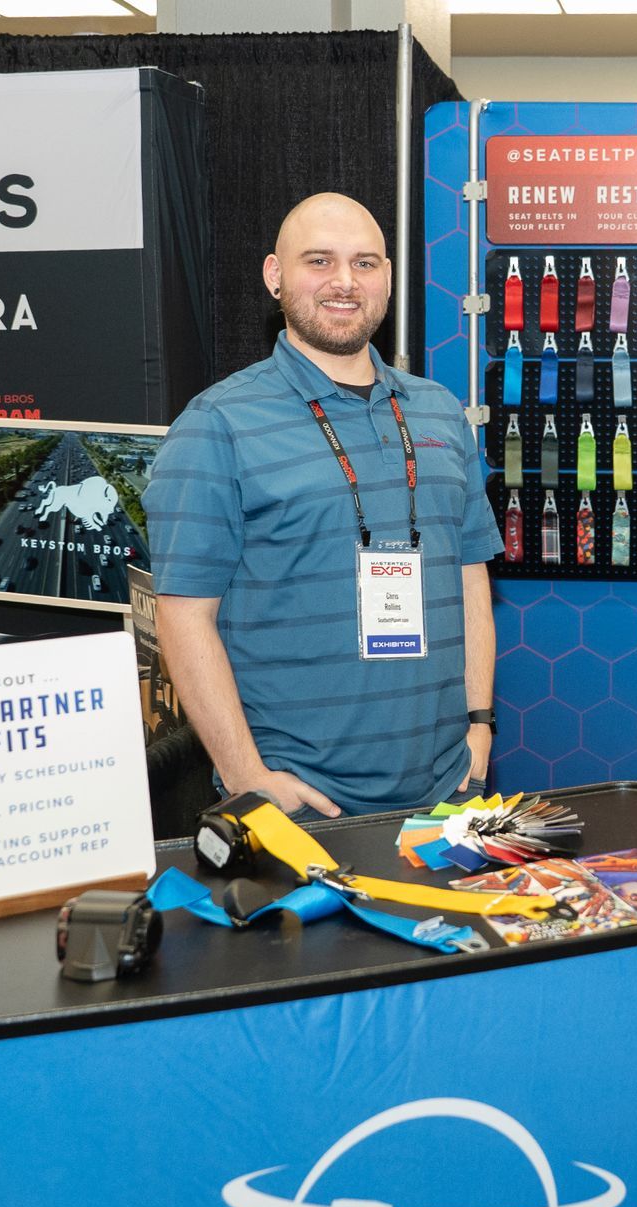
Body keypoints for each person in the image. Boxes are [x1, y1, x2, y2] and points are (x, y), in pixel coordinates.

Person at [144, 192, 501, 820]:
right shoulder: (216, 424)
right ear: (275, 276)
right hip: (302, 804)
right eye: (319, 261)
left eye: (365, 263)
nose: (344, 282)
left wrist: (479, 722)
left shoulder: (440, 411)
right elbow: (184, 616)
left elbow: (470, 576)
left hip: (448, 792)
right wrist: (247, 776)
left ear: (387, 278)